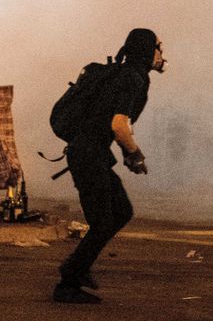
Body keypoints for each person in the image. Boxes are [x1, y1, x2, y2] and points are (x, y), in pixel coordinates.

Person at [54, 28, 166, 304]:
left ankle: (77, 266)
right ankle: (68, 282)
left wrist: (127, 153)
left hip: (92, 153)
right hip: (88, 155)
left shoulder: (124, 74)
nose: (161, 54)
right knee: (104, 221)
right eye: (158, 47)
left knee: (121, 211)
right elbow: (118, 125)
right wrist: (135, 154)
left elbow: (112, 123)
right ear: (146, 50)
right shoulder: (133, 78)